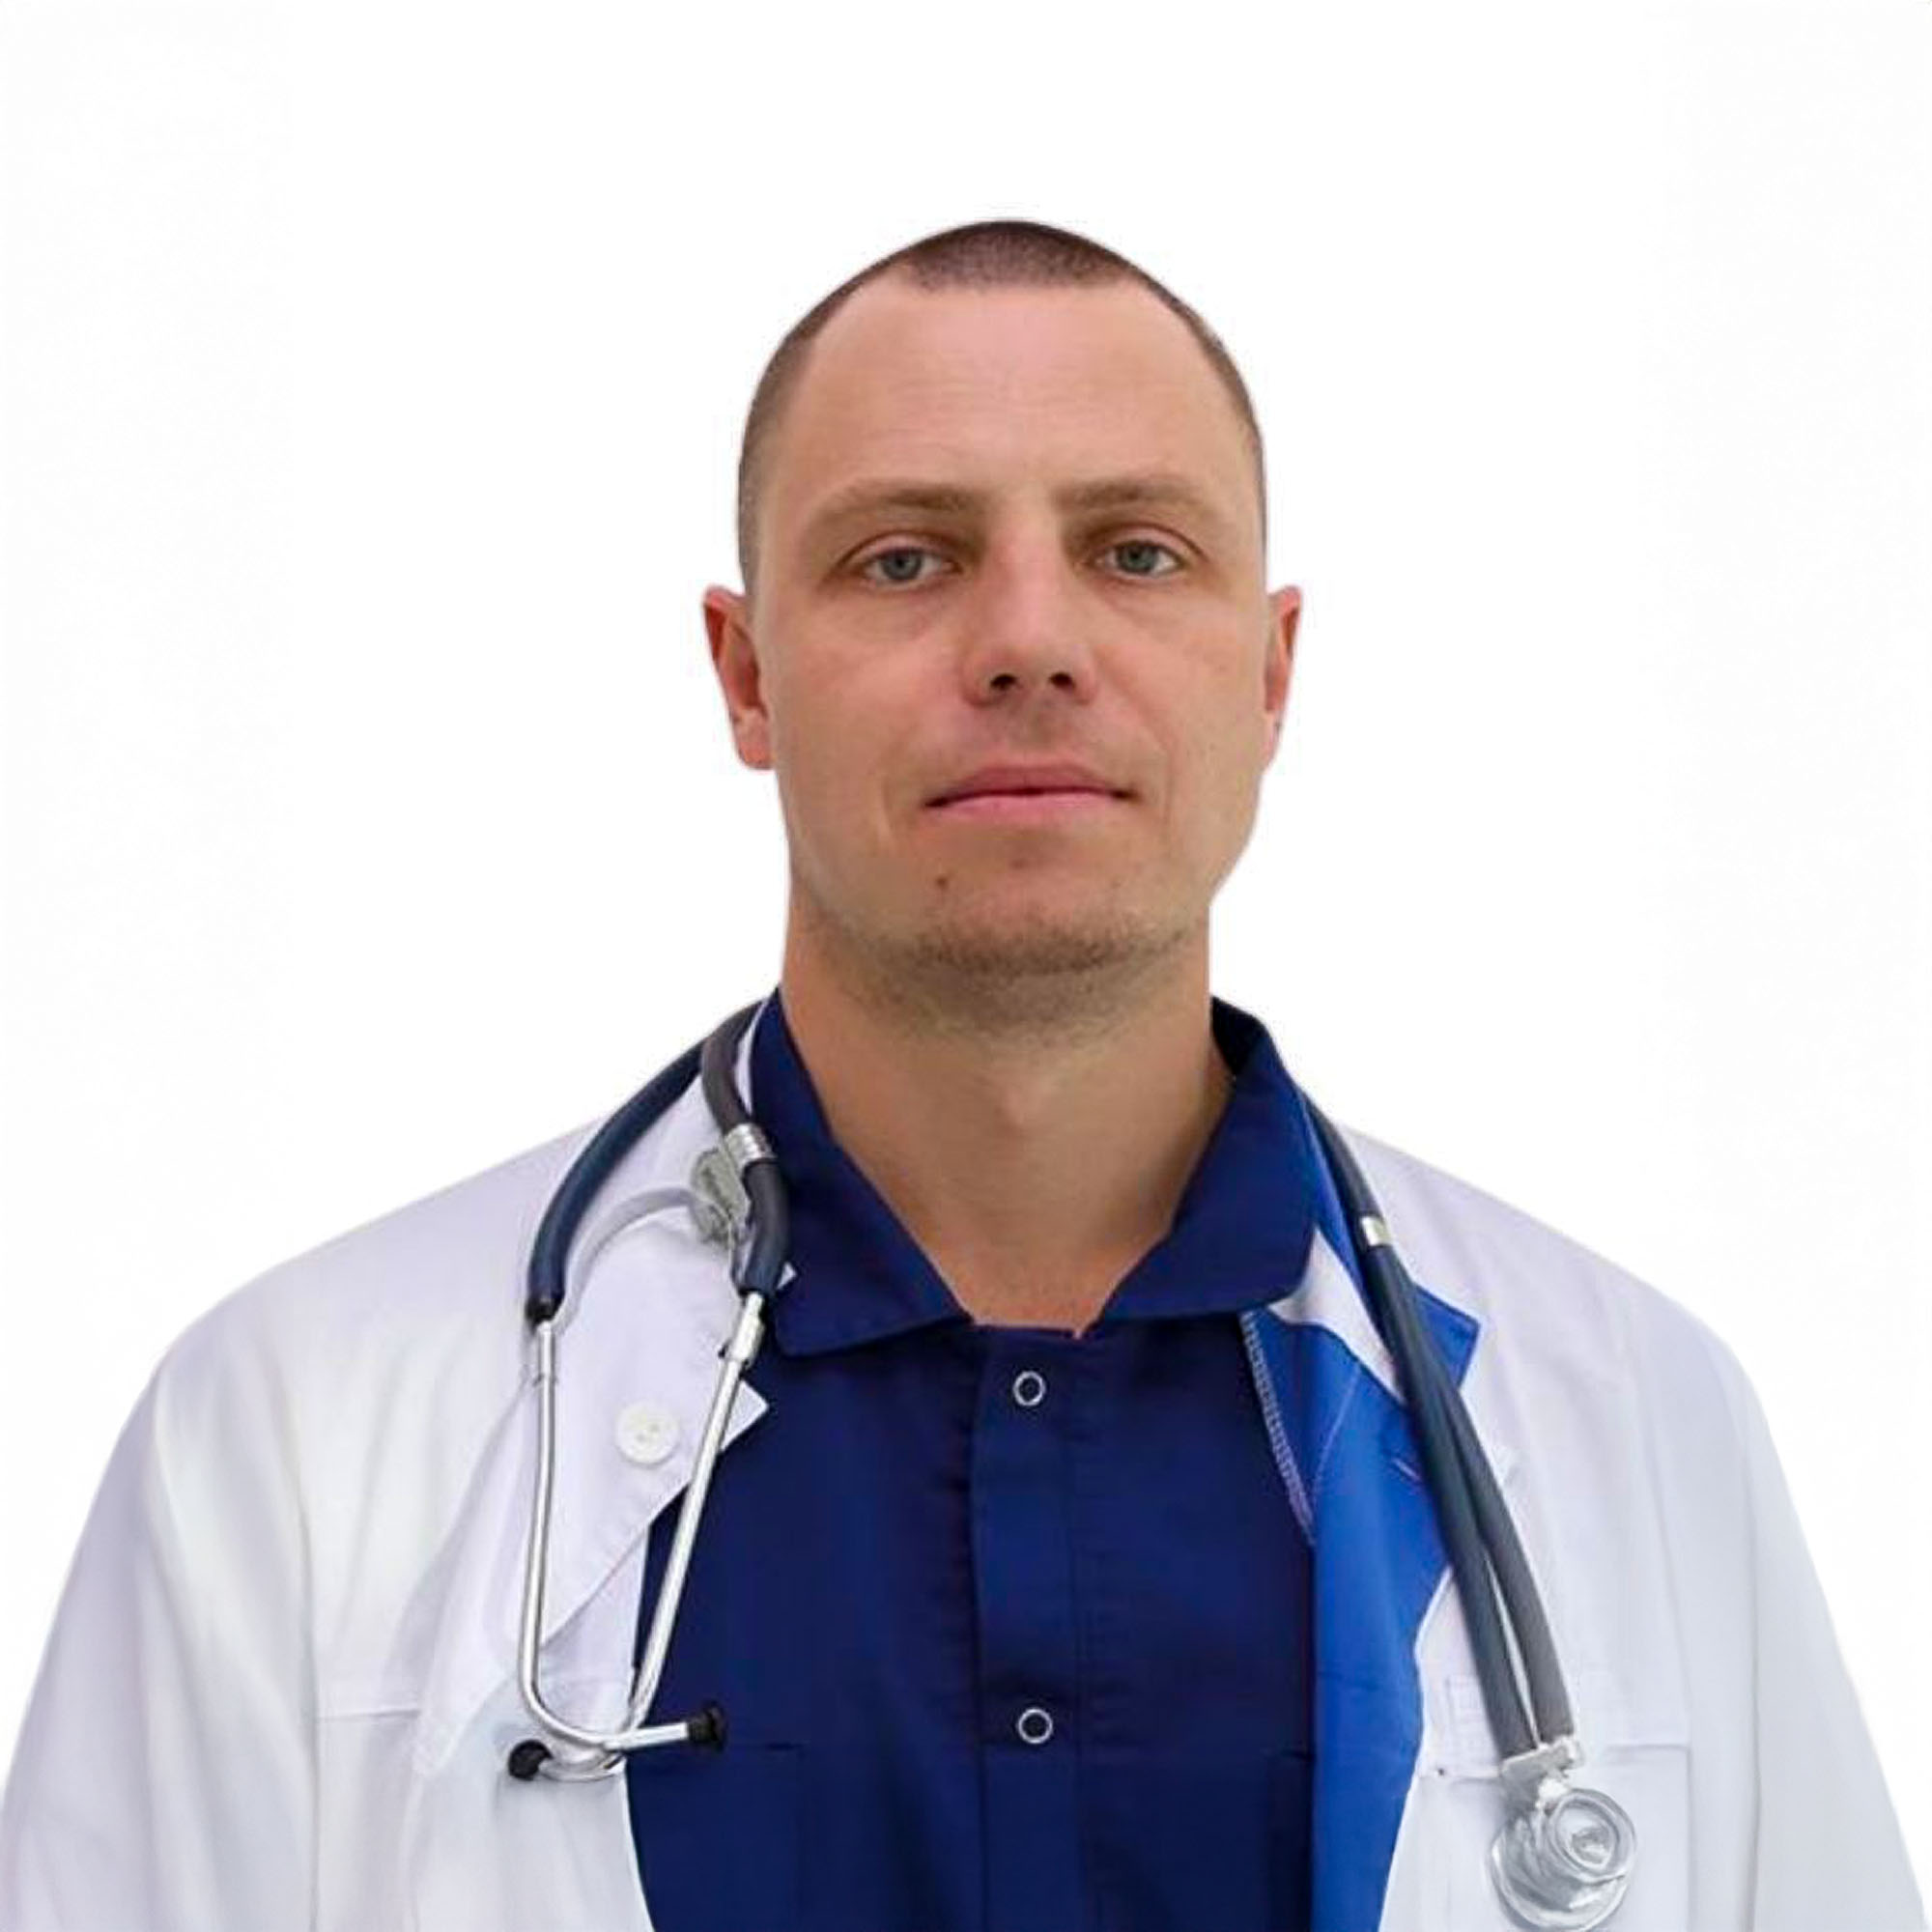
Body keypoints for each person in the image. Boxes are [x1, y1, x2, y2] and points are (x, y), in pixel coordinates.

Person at [0, 215, 1920, 1932]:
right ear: (747, 676)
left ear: (1268, 675)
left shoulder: (1639, 1428)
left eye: (1135, 551)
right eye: (904, 557)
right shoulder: (291, 1443)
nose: (1026, 641)